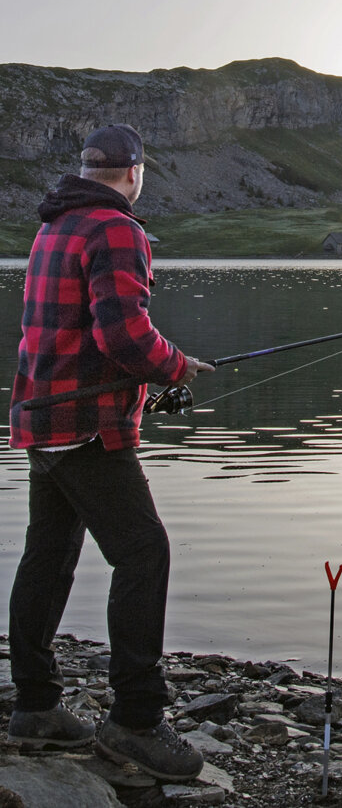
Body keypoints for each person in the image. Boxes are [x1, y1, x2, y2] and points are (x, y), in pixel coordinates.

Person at [8, 123, 215, 781]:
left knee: (49, 552)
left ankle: (36, 705)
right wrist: (175, 366)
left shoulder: (53, 225)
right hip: (86, 426)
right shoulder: (116, 228)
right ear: (134, 173)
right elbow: (125, 334)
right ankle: (135, 720)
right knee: (143, 549)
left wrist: (147, 379)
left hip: (40, 416)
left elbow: (70, 328)